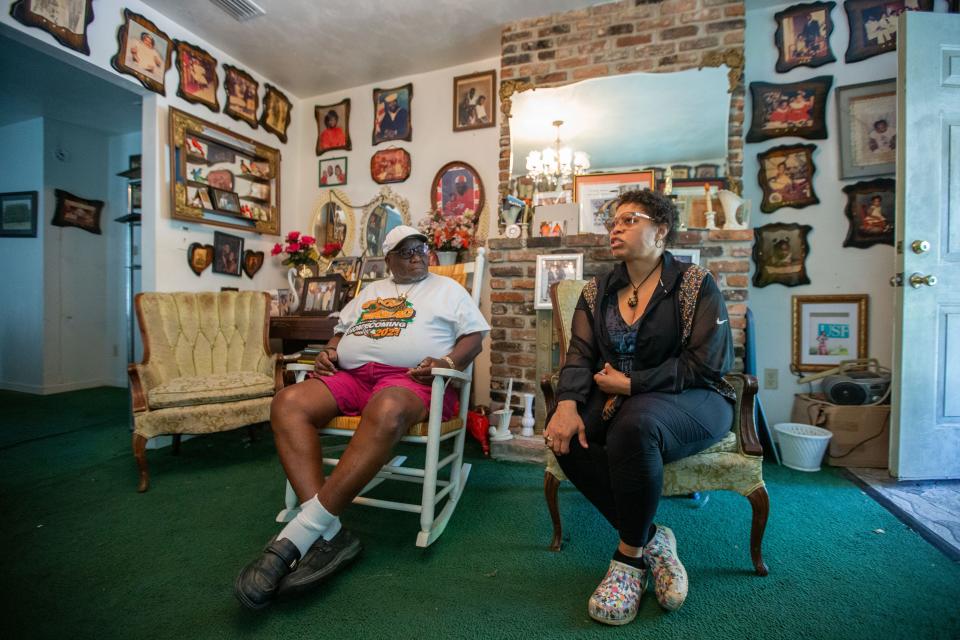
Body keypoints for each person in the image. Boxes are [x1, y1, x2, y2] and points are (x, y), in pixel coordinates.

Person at [234, 226, 490, 611]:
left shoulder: (448, 290)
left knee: (385, 409)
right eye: (406, 251)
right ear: (387, 260)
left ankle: (300, 533)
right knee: (287, 402)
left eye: (422, 247)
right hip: (352, 377)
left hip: (411, 381)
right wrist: (330, 352)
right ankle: (333, 532)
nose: (418, 254)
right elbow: (341, 332)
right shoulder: (370, 291)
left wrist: (447, 362)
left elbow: (474, 337)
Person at [542, 189, 735, 626]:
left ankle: (628, 561)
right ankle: (653, 539)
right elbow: (579, 355)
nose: (616, 227)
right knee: (564, 437)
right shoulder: (598, 291)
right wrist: (568, 403)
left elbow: (710, 364)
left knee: (636, 424)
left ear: (661, 230)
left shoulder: (693, 284)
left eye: (630, 219)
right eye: (613, 221)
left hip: (694, 397)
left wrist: (633, 383)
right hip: (618, 398)